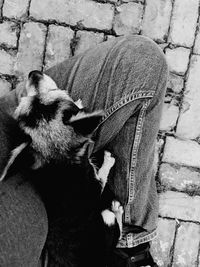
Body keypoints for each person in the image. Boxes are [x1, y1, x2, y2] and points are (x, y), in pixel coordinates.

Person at [0, 34, 168, 266]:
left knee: (144, 63)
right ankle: (131, 246)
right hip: (62, 246)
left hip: (23, 135)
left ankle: (128, 242)